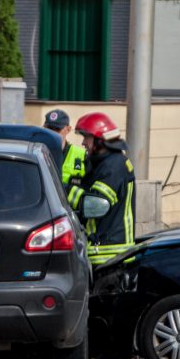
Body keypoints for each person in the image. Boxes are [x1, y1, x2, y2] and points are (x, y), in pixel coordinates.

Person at [68, 112, 136, 266]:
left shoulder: (113, 166)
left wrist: (65, 191)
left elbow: (95, 205)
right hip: (104, 252)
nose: (83, 143)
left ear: (100, 140)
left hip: (110, 256)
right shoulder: (105, 163)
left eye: (87, 137)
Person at [43, 109, 87, 188]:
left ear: (68, 129)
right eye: (49, 128)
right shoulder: (38, 152)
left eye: (57, 129)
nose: (52, 133)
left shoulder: (82, 156)